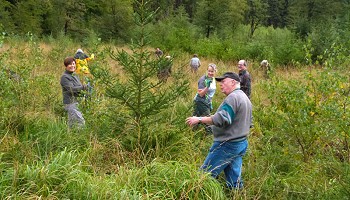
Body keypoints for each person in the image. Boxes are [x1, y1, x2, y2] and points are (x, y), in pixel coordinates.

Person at [186, 72, 252, 189]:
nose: (220, 84)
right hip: (240, 143)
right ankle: (237, 196)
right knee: (234, 182)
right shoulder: (244, 97)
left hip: (227, 144)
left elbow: (223, 118)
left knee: (204, 176)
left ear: (233, 82)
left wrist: (199, 119)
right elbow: (248, 121)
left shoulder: (233, 97)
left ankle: (195, 193)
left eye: (223, 81)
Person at [60, 56, 88, 129]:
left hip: (77, 102)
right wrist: (83, 87)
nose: (72, 66)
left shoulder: (75, 75)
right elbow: (71, 90)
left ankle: (69, 137)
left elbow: (78, 88)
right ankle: (81, 137)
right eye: (70, 64)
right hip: (70, 103)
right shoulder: (64, 77)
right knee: (80, 123)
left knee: (72, 124)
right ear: (66, 66)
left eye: (73, 64)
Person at [192, 63, 217, 133]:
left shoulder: (213, 79)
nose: (210, 73)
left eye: (212, 71)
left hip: (206, 101)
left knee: (195, 118)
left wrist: (210, 103)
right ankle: (209, 137)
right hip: (200, 101)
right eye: (209, 71)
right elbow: (200, 94)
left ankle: (193, 134)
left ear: (215, 71)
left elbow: (210, 94)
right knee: (208, 120)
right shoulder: (203, 79)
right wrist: (207, 86)